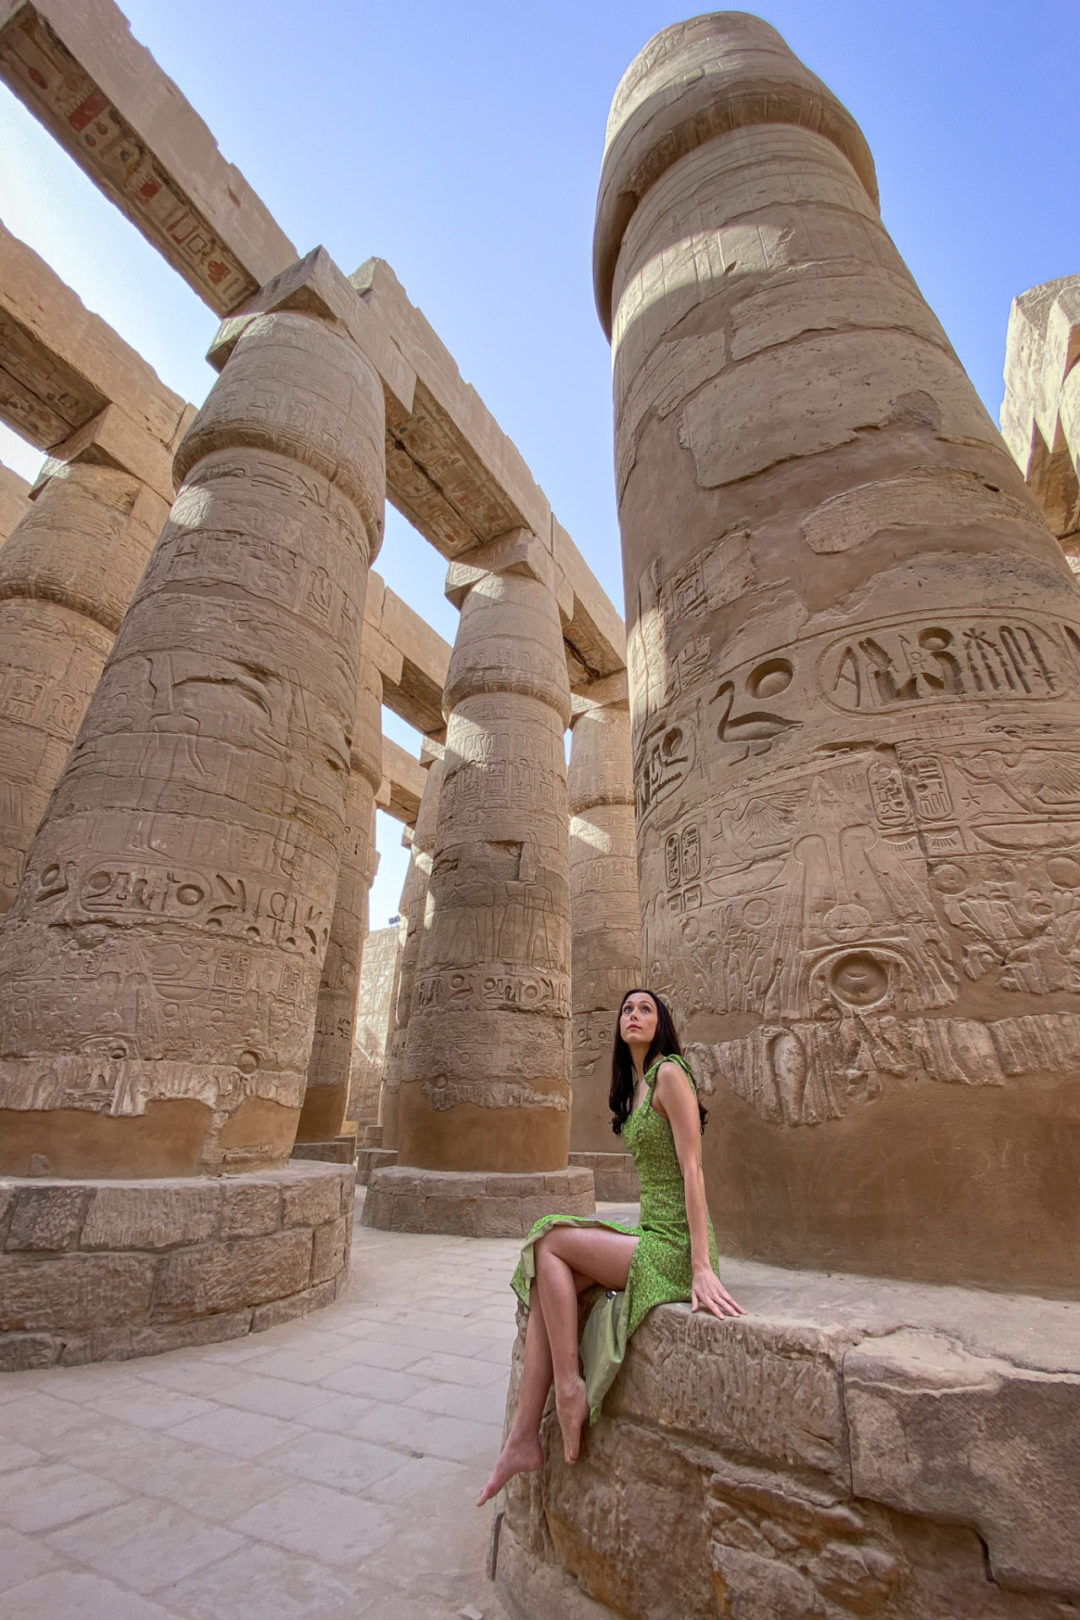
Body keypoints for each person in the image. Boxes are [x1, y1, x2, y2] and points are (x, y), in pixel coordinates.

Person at [477, 987, 743, 1506]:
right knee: (549, 1283)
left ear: (661, 1022)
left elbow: (693, 1169)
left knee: (549, 1240)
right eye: (627, 1009)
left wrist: (701, 1267)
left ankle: (569, 1388)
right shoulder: (638, 1087)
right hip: (651, 1234)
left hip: (675, 1244)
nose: (634, 1015)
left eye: (646, 1008)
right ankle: (522, 1437)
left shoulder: (670, 1073)